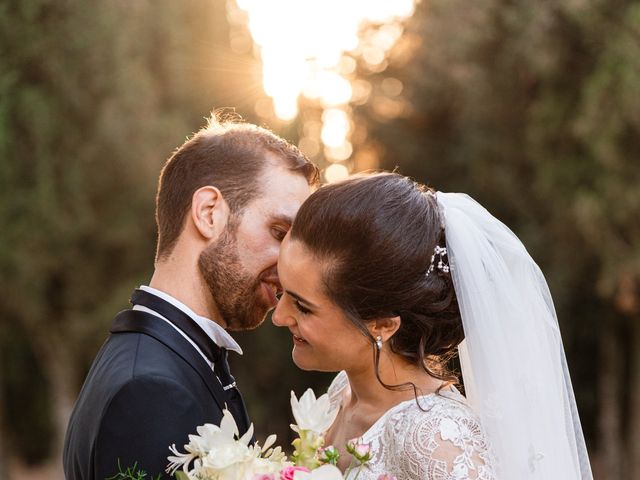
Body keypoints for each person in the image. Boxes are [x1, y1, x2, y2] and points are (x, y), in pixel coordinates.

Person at [273, 172, 592, 479]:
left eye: (302, 305)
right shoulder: (342, 389)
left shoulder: (437, 441)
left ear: (382, 324)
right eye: (282, 291)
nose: (279, 316)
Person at [63, 114, 319, 480]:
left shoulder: (172, 359)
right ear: (208, 213)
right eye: (279, 233)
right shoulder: (149, 391)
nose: (290, 264)